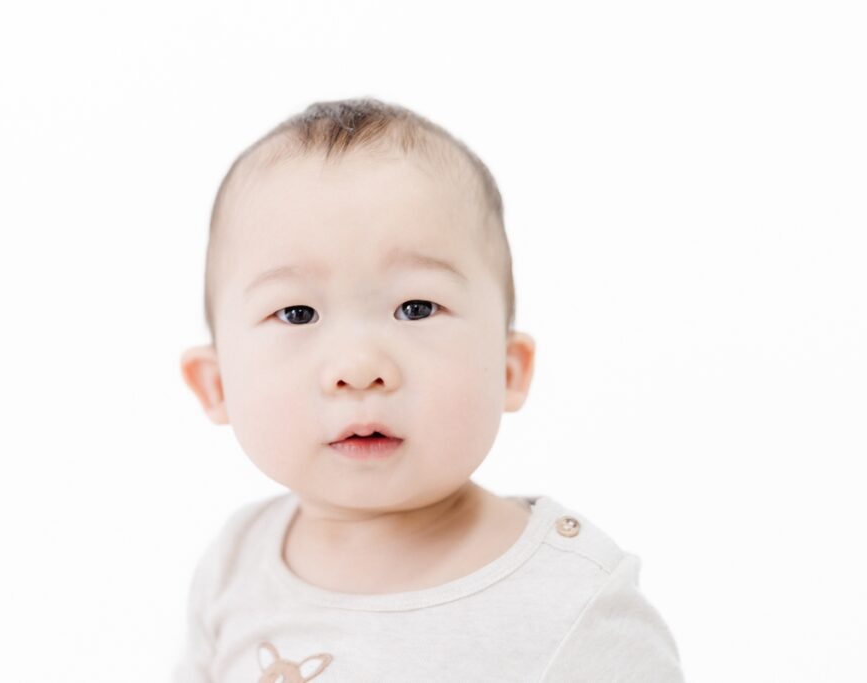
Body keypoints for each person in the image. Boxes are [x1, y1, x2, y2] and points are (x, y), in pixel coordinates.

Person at [175, 97, 685, 681]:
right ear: (215, 385)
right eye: (296, 313)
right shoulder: (236, 565)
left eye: (416, 307)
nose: (360, 366)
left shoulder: (570, 606)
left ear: (510, 367)